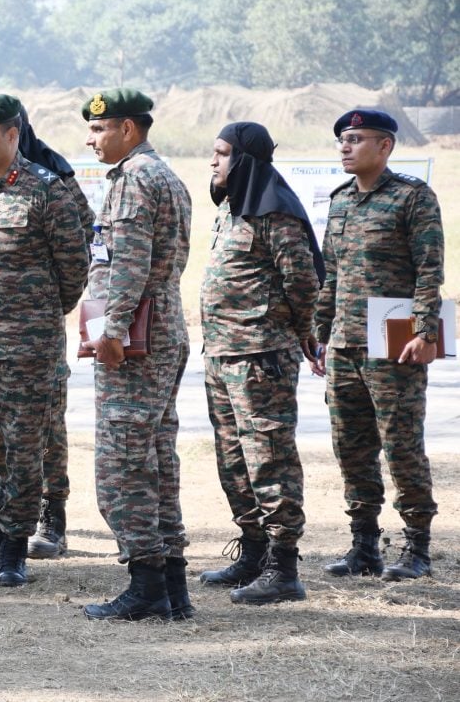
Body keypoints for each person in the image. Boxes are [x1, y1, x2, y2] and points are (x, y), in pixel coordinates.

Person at [0, 93, 88, 587]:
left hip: (28, 348)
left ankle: (12, 548)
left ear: (12, 135)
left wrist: (36, 315)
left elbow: (74, 268)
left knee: (25, 452)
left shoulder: (47, 190)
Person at [313, 109, 444, 582]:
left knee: (401, 446)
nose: (345, 148)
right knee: (351, 448)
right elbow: (330, 274)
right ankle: (364, 545)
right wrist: (320, 333)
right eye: (342, 140)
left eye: (356, 139)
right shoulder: (340, 201)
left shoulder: (412, 197)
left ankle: (416, 547)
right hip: (345, 344)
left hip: (394, 342)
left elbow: (429, 269)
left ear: (384, 145)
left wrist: (426, 332)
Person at [197, 122, 323, 605]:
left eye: (222, 153)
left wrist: (300, 333)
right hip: (222, 354)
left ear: (245, 160)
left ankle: (283, 568)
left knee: (269, 458)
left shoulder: (275, 212)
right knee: (233, 460)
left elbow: (303, 283)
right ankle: (252, 552)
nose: (213, 161)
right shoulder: (231, 209)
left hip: (261, 357)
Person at [79, 88, 192, 620]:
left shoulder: (133, 179)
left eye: (99, 128)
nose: (91, 139)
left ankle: (147, 586)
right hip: (163, 326)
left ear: (128, 129)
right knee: (156, 459)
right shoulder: (165, 175)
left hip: (137, 339)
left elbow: (127, 263)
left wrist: (112, 330)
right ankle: (172, 586)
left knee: (122, 465)